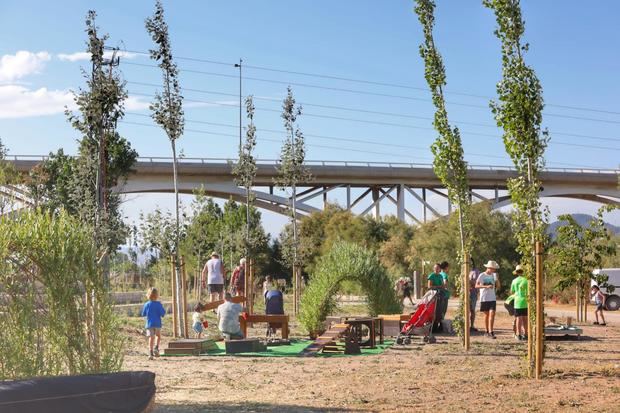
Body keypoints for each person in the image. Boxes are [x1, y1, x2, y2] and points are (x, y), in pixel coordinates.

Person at [476, 260, 501, 339]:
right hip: (484, 298)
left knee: (492, 314)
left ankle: (491, 332)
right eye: (493, 268)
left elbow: (498, 287)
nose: (494, 270)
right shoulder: (482, 275)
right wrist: (486, 286)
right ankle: (486, 331)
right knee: (487, 315)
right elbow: (476, 286)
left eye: (494, 269)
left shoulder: (494, 275)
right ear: (489, 268)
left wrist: (497, 280)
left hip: (492, 298)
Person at [141, 287, 166, 360]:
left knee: (151, 338)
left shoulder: (146, 304)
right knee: (158, 336)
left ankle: (150, 352)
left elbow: (143, 314)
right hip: (157, 323)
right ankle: (156, 348)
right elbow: (163, 314)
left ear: (148, 295)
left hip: (149, 324)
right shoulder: (159, 304)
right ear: (157, 295)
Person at [510, 265, 528, 340]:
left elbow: (512, 291)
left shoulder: (514, 281)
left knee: (518, 318)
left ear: (516, 272)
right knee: (525, 318)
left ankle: (519, 334)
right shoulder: (526, 280)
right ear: (523, 272)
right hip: (526, 301)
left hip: (517, 302)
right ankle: (526, 334)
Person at [428, 263, 447, 330]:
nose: (436, 269)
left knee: (440, 310)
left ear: (440, 269)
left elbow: (443, 285)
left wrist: (441, 287)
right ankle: (432, 326)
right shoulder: (431, 276)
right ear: (433, 269)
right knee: (433, 310)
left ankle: (438, 325)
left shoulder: (440, 276)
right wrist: (438, 287)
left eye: (438, 268)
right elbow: (429, 286)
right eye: (435, 268)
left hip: (440, 295)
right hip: (433, 294)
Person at [469, 261, 480, 332]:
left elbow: (476, 283)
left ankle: (472, 326)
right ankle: (466, 325)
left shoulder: (475, 271)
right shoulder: (468, 271)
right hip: (467, 292)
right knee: (466, 310)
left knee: (472, 309)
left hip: (473, 293)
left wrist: (468, 280)